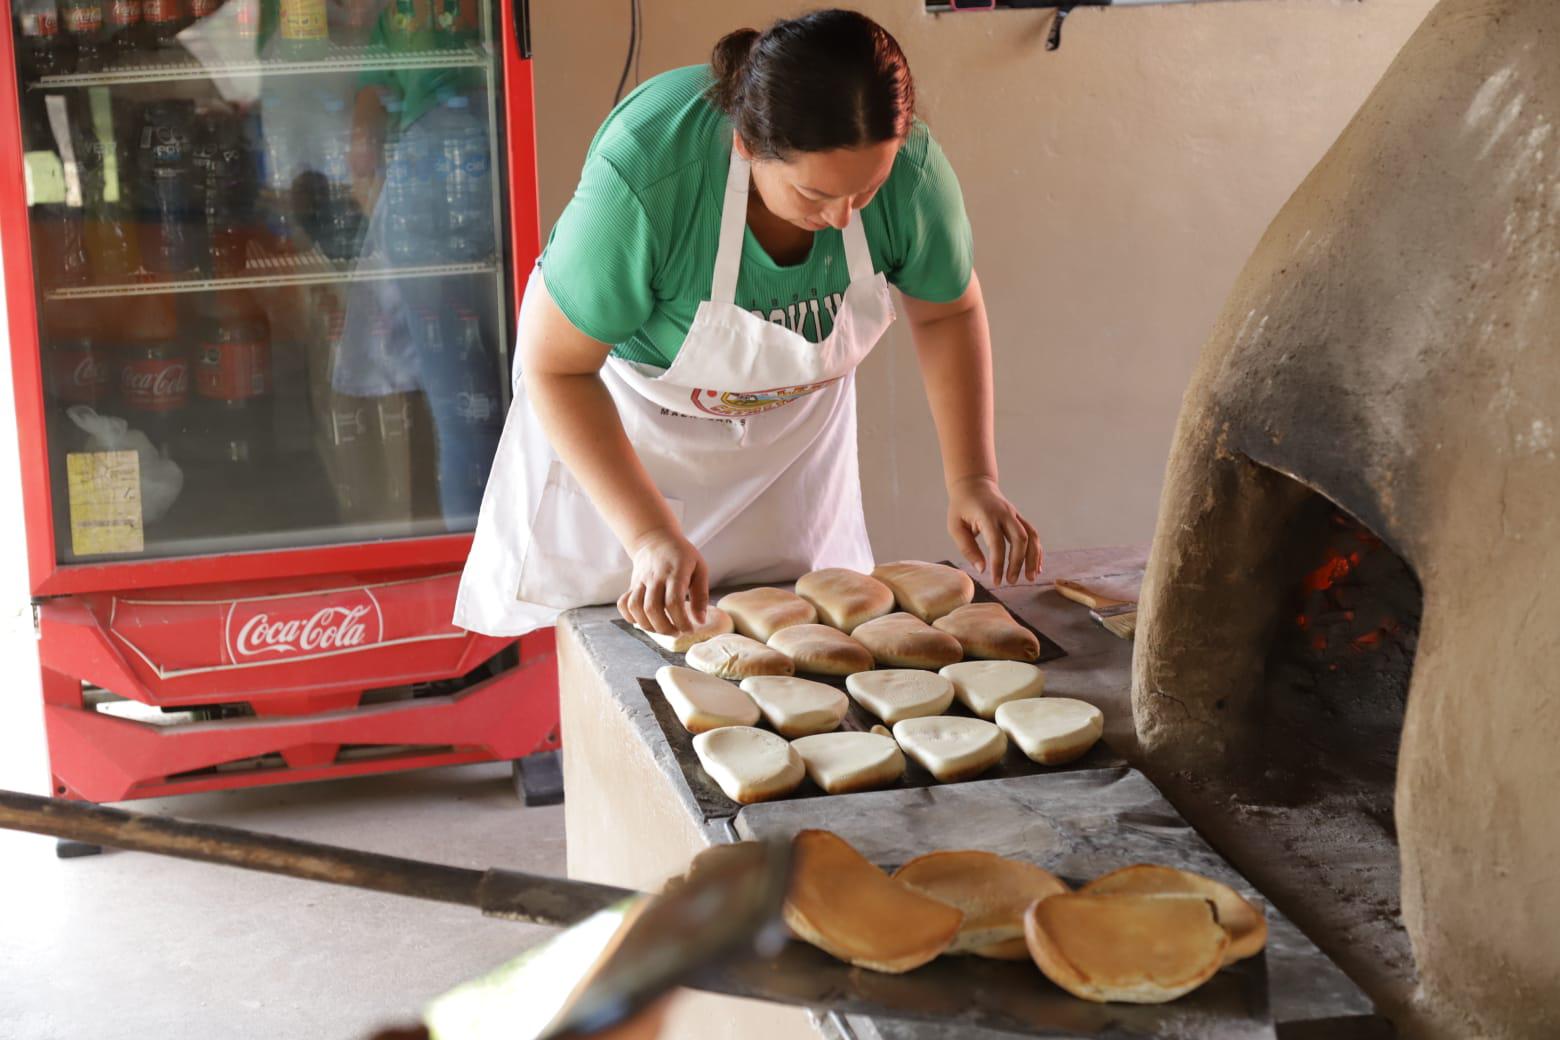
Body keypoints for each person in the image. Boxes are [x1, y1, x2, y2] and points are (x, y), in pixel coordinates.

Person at [456, 8, 1041, 638]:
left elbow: (948, 312)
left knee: (811, 652)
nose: (845, 219)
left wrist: (974, 478)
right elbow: (556, 368)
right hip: (636, 440)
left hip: (790, 452)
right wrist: (650, 534)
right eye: (815, 196)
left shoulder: (912, 174)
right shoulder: (650, 177)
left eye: (866, 191)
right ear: (746, 145)